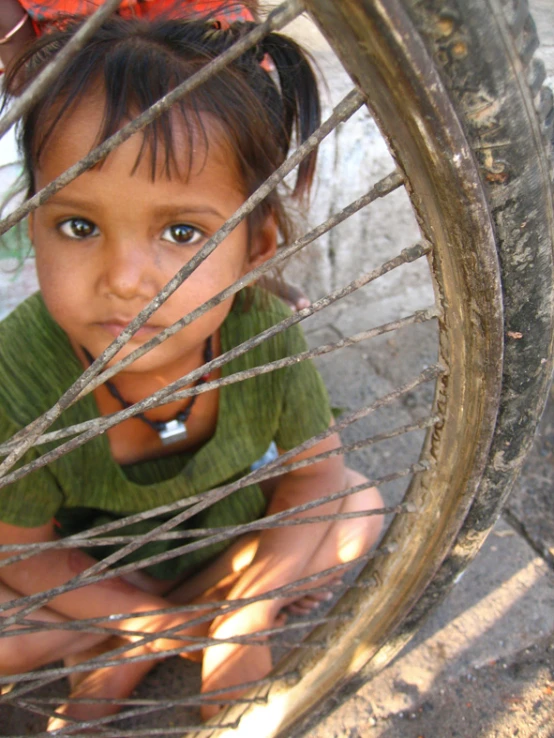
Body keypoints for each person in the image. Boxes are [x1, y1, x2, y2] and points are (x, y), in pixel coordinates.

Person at [0, 15, 384, 731]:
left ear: (256, 245)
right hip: (83, 573)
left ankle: (155, 637)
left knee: (360, 510)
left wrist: (251, 614)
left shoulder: (262, 337)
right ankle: (138, 636)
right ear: (32, 223)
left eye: (181, 233)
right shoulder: (16, 368)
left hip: (220, 544)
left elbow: (315, 478)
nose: (123, 279)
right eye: (78, 226)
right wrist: (140, 618)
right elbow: (20, 548)